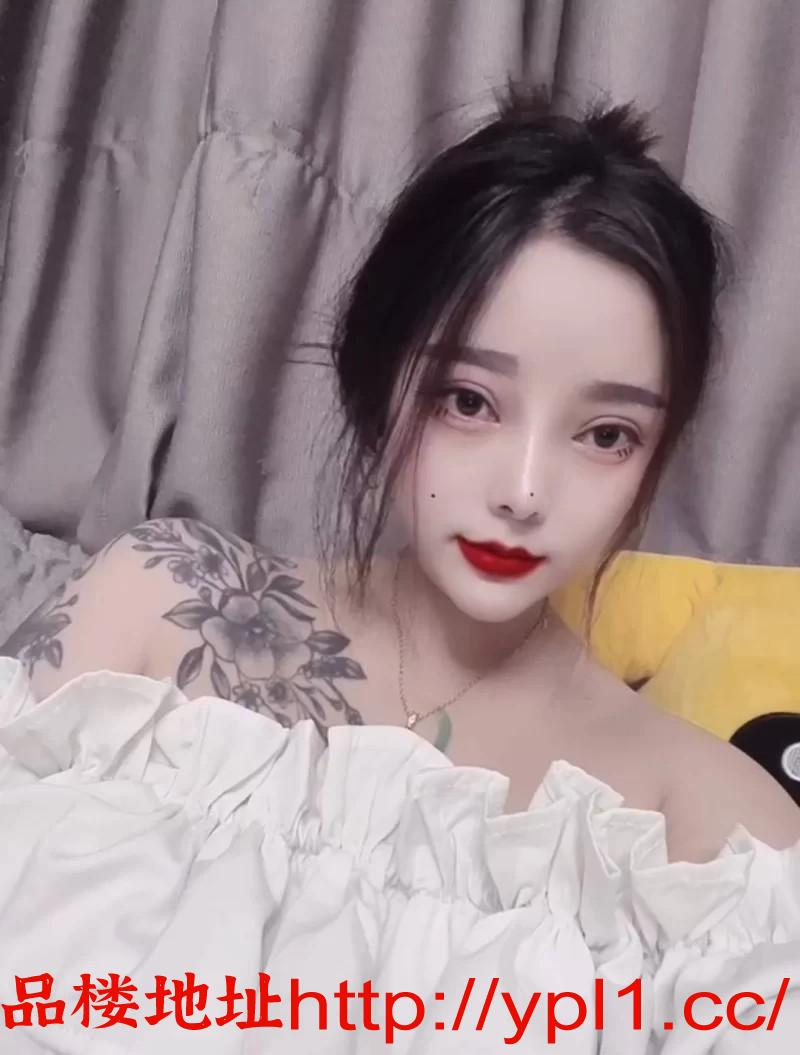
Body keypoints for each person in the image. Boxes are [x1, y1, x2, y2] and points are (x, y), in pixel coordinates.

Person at [0, 84, 798, 1051]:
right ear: (379, 377)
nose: (525, 491)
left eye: (605, 433)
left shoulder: (718, 838)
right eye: (469, 400)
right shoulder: (159, 599)